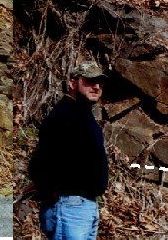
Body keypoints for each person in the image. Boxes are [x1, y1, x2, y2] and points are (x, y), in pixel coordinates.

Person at [28, 61, 109, 240]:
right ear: (73, 83)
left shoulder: (82, 115)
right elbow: (42, 161)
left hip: (84, 206)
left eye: (100, 83)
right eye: (89, 81)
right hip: (69, 206)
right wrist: (53, 191)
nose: (96, 87)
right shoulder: (64, 116)